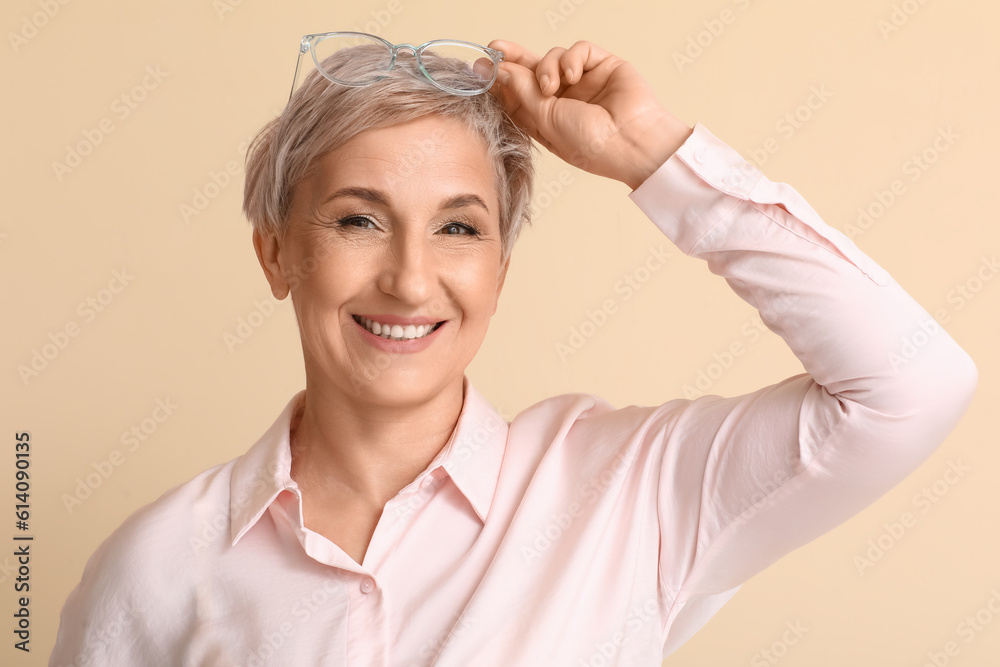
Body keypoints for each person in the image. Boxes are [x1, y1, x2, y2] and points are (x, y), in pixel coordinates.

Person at [50, 34, 977, 666]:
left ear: (500, 264)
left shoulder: (631, 493)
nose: (411, 282)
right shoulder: (153, 569)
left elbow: (911, 381)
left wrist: (651, 153)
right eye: (358, 219)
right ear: (277, 252)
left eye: (459, 228)